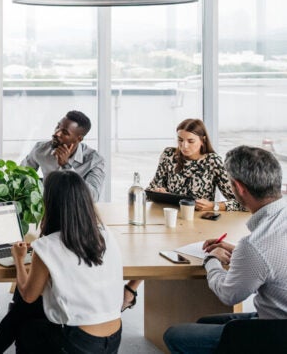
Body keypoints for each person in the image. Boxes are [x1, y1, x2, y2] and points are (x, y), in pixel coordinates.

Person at [0, 170, 123, 353]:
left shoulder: (47, 246)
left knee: (25, 320)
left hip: (79, 344)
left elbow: (28, 295)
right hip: (113, 339)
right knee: (27, 308)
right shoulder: (105, 235)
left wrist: (19, 259)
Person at [163, 146, 286, 354]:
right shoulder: (270, 231)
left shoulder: (255, 246)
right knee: (204, 321)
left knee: (175, 335)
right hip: (279, 317)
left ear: (238, 187)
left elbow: (230, 295)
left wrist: (211, 260)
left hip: (276, 333)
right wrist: (239, 251)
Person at [124, 118, 242, 312]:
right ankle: (132, 289)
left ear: (202, 140)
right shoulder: (169, 155)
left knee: (170, 249)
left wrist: (214, 205)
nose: (183, 146)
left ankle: (129, 290)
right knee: (151, 248)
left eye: (190, 141)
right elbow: (151, 187)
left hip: (198, 224)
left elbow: (239, 201)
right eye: (180, 140)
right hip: (167, 218)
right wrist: (158, 191)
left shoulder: (213, 161)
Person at [22, 110, 105, 201]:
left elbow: (93, 197)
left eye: (65, 133)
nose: (56, 133)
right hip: (47, 208)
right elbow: (21, 175)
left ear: (79, 138)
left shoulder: (94, 160)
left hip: (77, 210)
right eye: (58, 126)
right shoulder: (41, 149)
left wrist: (66, 167)